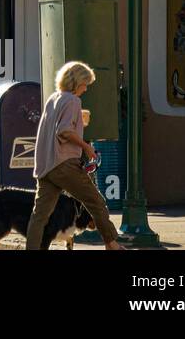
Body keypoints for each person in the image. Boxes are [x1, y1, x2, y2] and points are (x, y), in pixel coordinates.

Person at [25, 61, 123, 251]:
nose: (85, 89)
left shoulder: (53, 99)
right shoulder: (72, 100)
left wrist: (80, 120)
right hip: (64, 164)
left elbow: (56, 128)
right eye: (85, 84)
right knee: (96, 202)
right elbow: (64, 132)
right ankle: (112, 244)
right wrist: (87, 147)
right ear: (76, 82)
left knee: (39, 216)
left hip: (46, 166)